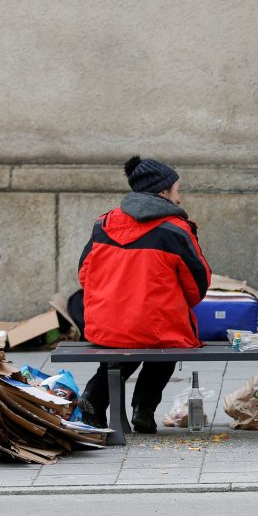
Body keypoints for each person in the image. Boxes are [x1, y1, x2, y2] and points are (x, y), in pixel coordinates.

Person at [75, 155, 211, 433]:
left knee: (126, 341)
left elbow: (84, 274)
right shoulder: (175, 230)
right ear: (163, 192)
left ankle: (94, 397)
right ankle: (143, 408)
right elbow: (198, 283)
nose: (180, 198)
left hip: (105, 325)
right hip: (154, 325)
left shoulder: (103, 225)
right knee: (164, 343)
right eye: (177, 190)